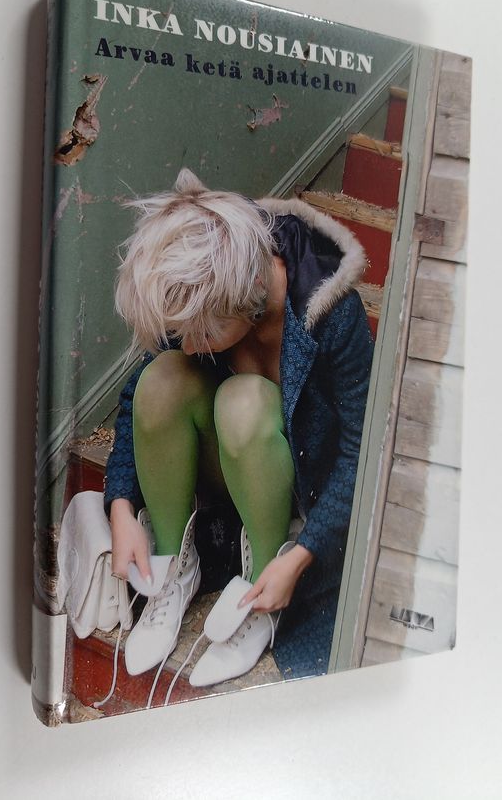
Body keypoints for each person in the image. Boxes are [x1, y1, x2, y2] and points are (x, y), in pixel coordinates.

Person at [103, 168, 373, 686]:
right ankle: (173, 568)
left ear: (246, 295)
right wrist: (120, 507)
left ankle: (261, 588)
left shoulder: (332, 311)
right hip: (228, 480)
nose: (189, 345)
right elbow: (136, 397)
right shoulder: (204, 296)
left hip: (299, 495)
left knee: (243, 401)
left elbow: (363, 451)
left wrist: (304, 556)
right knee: (161, 379)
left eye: (201, 333)